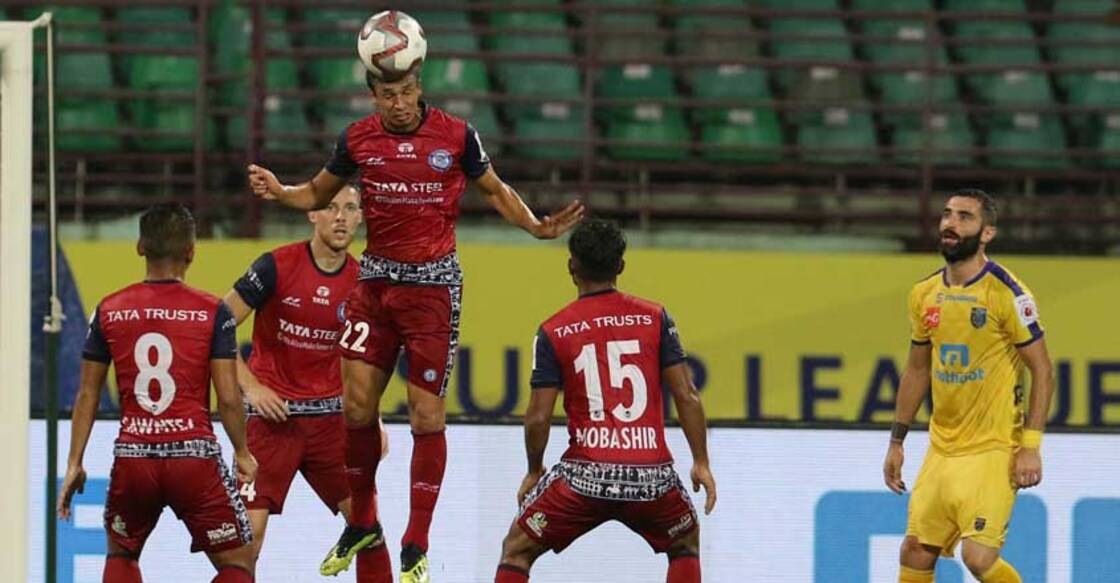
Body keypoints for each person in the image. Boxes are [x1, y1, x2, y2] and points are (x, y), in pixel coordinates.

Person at [247, 66, 583, 582]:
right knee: (356, 406)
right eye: (388, 95)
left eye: (406, 92)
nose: (399, 103)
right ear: (373, 96)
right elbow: (317, 191)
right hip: (377, 282)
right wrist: (279, 190)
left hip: (432, 290)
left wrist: (535, 225)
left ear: (420, 88)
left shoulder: (456, 134)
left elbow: (494, 189)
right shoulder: (358, 138)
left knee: (427, 417)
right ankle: (361, 518)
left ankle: (416, 541)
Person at [493, 219, 717, 583]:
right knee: (685, 543)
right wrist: (701, 462)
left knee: (516, 550)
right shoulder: (656, 317)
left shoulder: (554, 330)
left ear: (572, 266)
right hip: (651, 478)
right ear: (621, 266)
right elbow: (687, 395)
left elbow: (537, 417)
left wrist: (535, 470)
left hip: (585, 477)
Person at [56, 204, 258, 583]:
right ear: (192, 252)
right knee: (238, 564)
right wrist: (243, 453)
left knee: (122, 554)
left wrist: (74, 462)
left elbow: (87, 394)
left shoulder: (108, 310)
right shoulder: (213, 312)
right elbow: (229, 397)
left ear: (139, 247)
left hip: (134, 458)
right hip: (192, 459)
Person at [883, 189, 1055, 583]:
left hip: (993, 447)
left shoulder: (1007, 294)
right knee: (915, 550)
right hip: (942, 447)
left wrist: (1030, 447)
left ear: (987, 232)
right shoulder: (924, 293)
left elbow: (1043, 370)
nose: (950, 224)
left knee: (977, 556)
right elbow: (916, 370)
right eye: (947, 215)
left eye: (964, 217)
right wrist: (896, 441)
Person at [221, 185, 391, 578]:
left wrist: (374, 421)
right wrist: (251, 387)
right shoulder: (274, 267)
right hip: (269, 425)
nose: (341, 217)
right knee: (247, 542)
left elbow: (368, 361)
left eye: (351, 208)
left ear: (362, 217)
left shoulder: (367, 282)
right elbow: (218, 327)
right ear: (311, 214)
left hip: (332, 427)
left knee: (369, 531)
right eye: (330, 207)